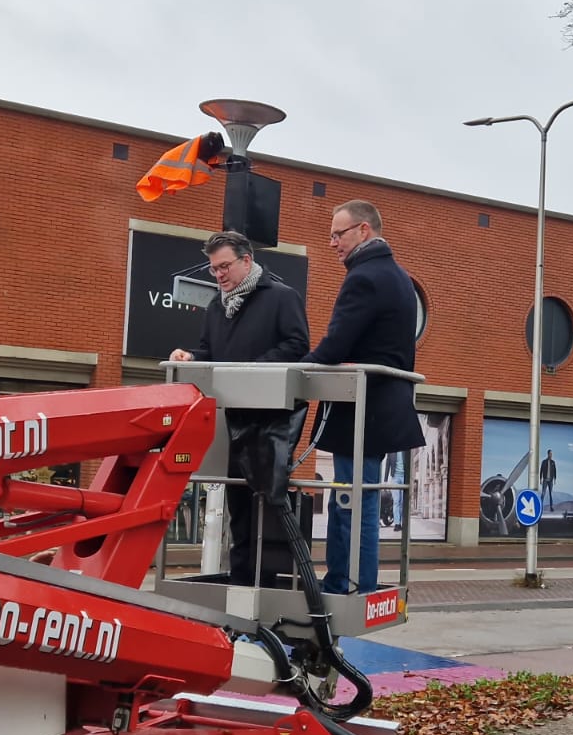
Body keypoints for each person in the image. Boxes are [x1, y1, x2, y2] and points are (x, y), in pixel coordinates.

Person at [171, 230, 310, 586]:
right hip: (234, 418)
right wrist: (190, 357)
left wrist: (251, 369)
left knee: (265, 503)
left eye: (224, 266)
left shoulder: (282, 297)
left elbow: (298, 345)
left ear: (247, 261)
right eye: (213, 269)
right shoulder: (217, 306)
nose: (218, 275)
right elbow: (210, 351)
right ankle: (242, 578)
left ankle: (265, 581)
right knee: (238, 504)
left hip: (272, 420)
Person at [303, 200, 425, 595]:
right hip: (382, 409)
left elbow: (334, 346)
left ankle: (348, 585)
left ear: (363, 231)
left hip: (361, 411)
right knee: (359, 500)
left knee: (352, 503)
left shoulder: (364, 277)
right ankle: (353, 582)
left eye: (338, 234)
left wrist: (295, 370)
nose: (333, 242)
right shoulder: (400, 277)